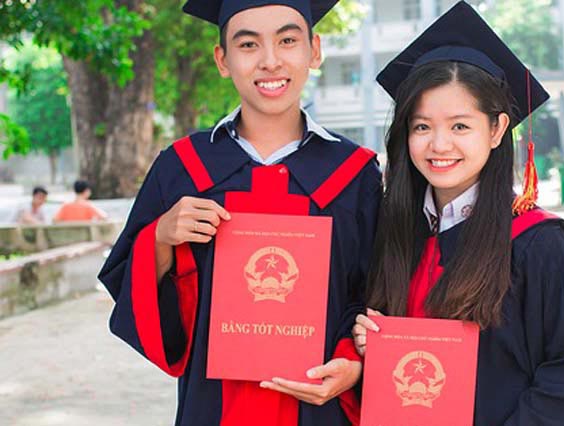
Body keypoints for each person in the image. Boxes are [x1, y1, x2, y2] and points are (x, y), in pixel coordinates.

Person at [98, 1, 381, 425]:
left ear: (315, 51)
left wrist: (354, 365)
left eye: (288, 40)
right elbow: (133, 292)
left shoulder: (355, 174)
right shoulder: (181, 168)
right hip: (212, 405)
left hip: (318, 407)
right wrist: (159, 239)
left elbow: (379, 290)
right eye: (248, 44)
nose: (270, 61)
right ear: (222, 60)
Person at [351, 2, 564, 425]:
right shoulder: (396, 234)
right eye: (422, 126)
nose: (439, 145)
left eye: (460, 126)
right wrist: (375, 346)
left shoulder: (539, 245)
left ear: (496, 130)